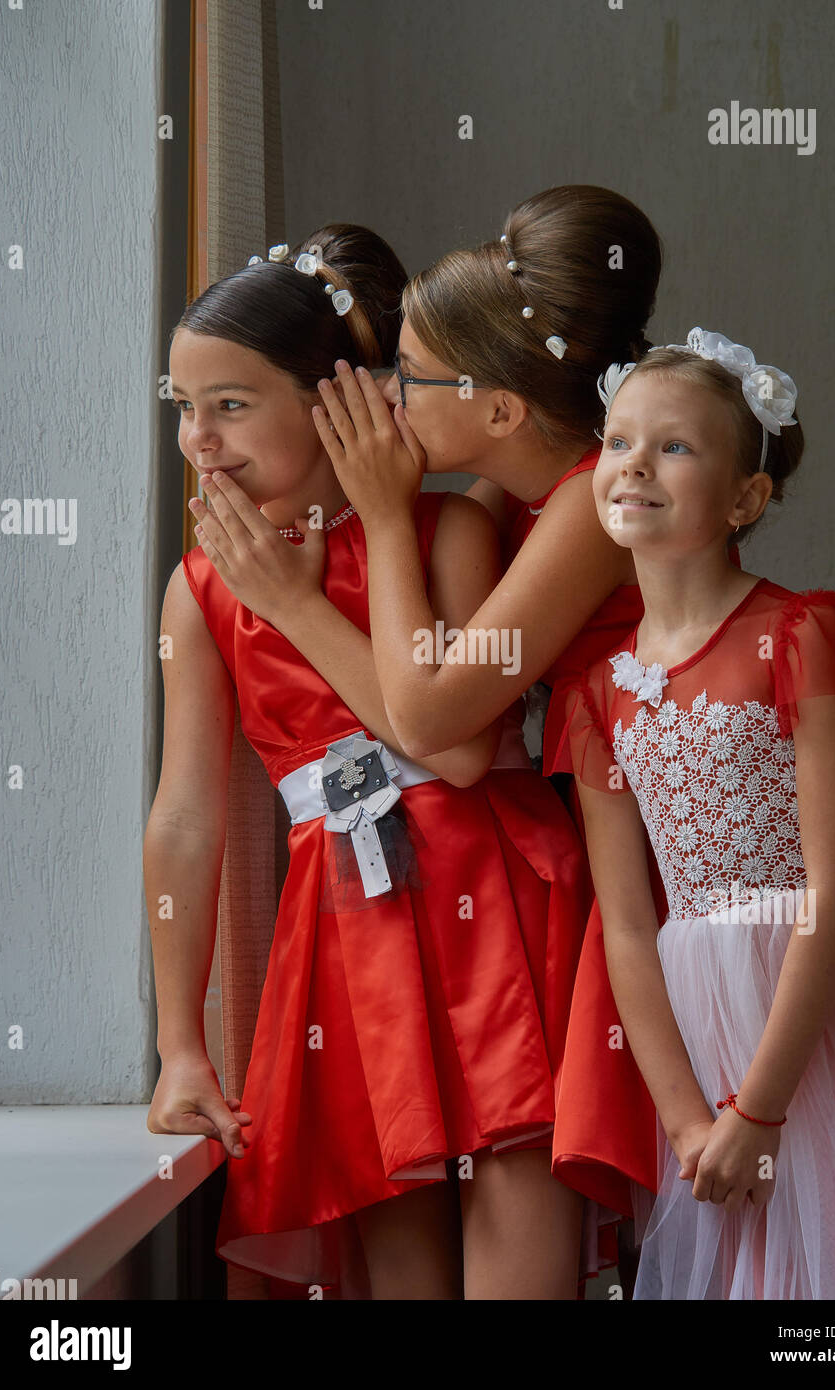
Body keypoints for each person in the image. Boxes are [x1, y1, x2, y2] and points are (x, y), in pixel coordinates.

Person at [196, 188, 685, 1272]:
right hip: (623, 851)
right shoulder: (512, 509)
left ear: (500, 411)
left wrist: (363, 529)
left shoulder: (591, 505)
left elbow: (433, 721)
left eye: (407, 375)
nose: (384, 396)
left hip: (700, 867)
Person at [143, 224, 593, 1300]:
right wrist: (179, 1047)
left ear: (337, 401)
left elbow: (458, 745)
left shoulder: (444, 533)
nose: (200, 440)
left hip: (499, 919)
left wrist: (295, 604)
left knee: (520, 1247)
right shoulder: (200, 593)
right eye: (183, 409)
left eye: (232, 404)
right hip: (350, 941)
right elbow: (186, 820)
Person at [562, 326, 835, 1298]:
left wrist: (760, 1110)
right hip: (704, 1014)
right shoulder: (594, 692)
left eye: (676, 446)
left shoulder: (801, 633)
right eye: (617, 442)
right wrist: (692, 1119)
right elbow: (625, 928)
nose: (635, 465)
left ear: (746, 497)